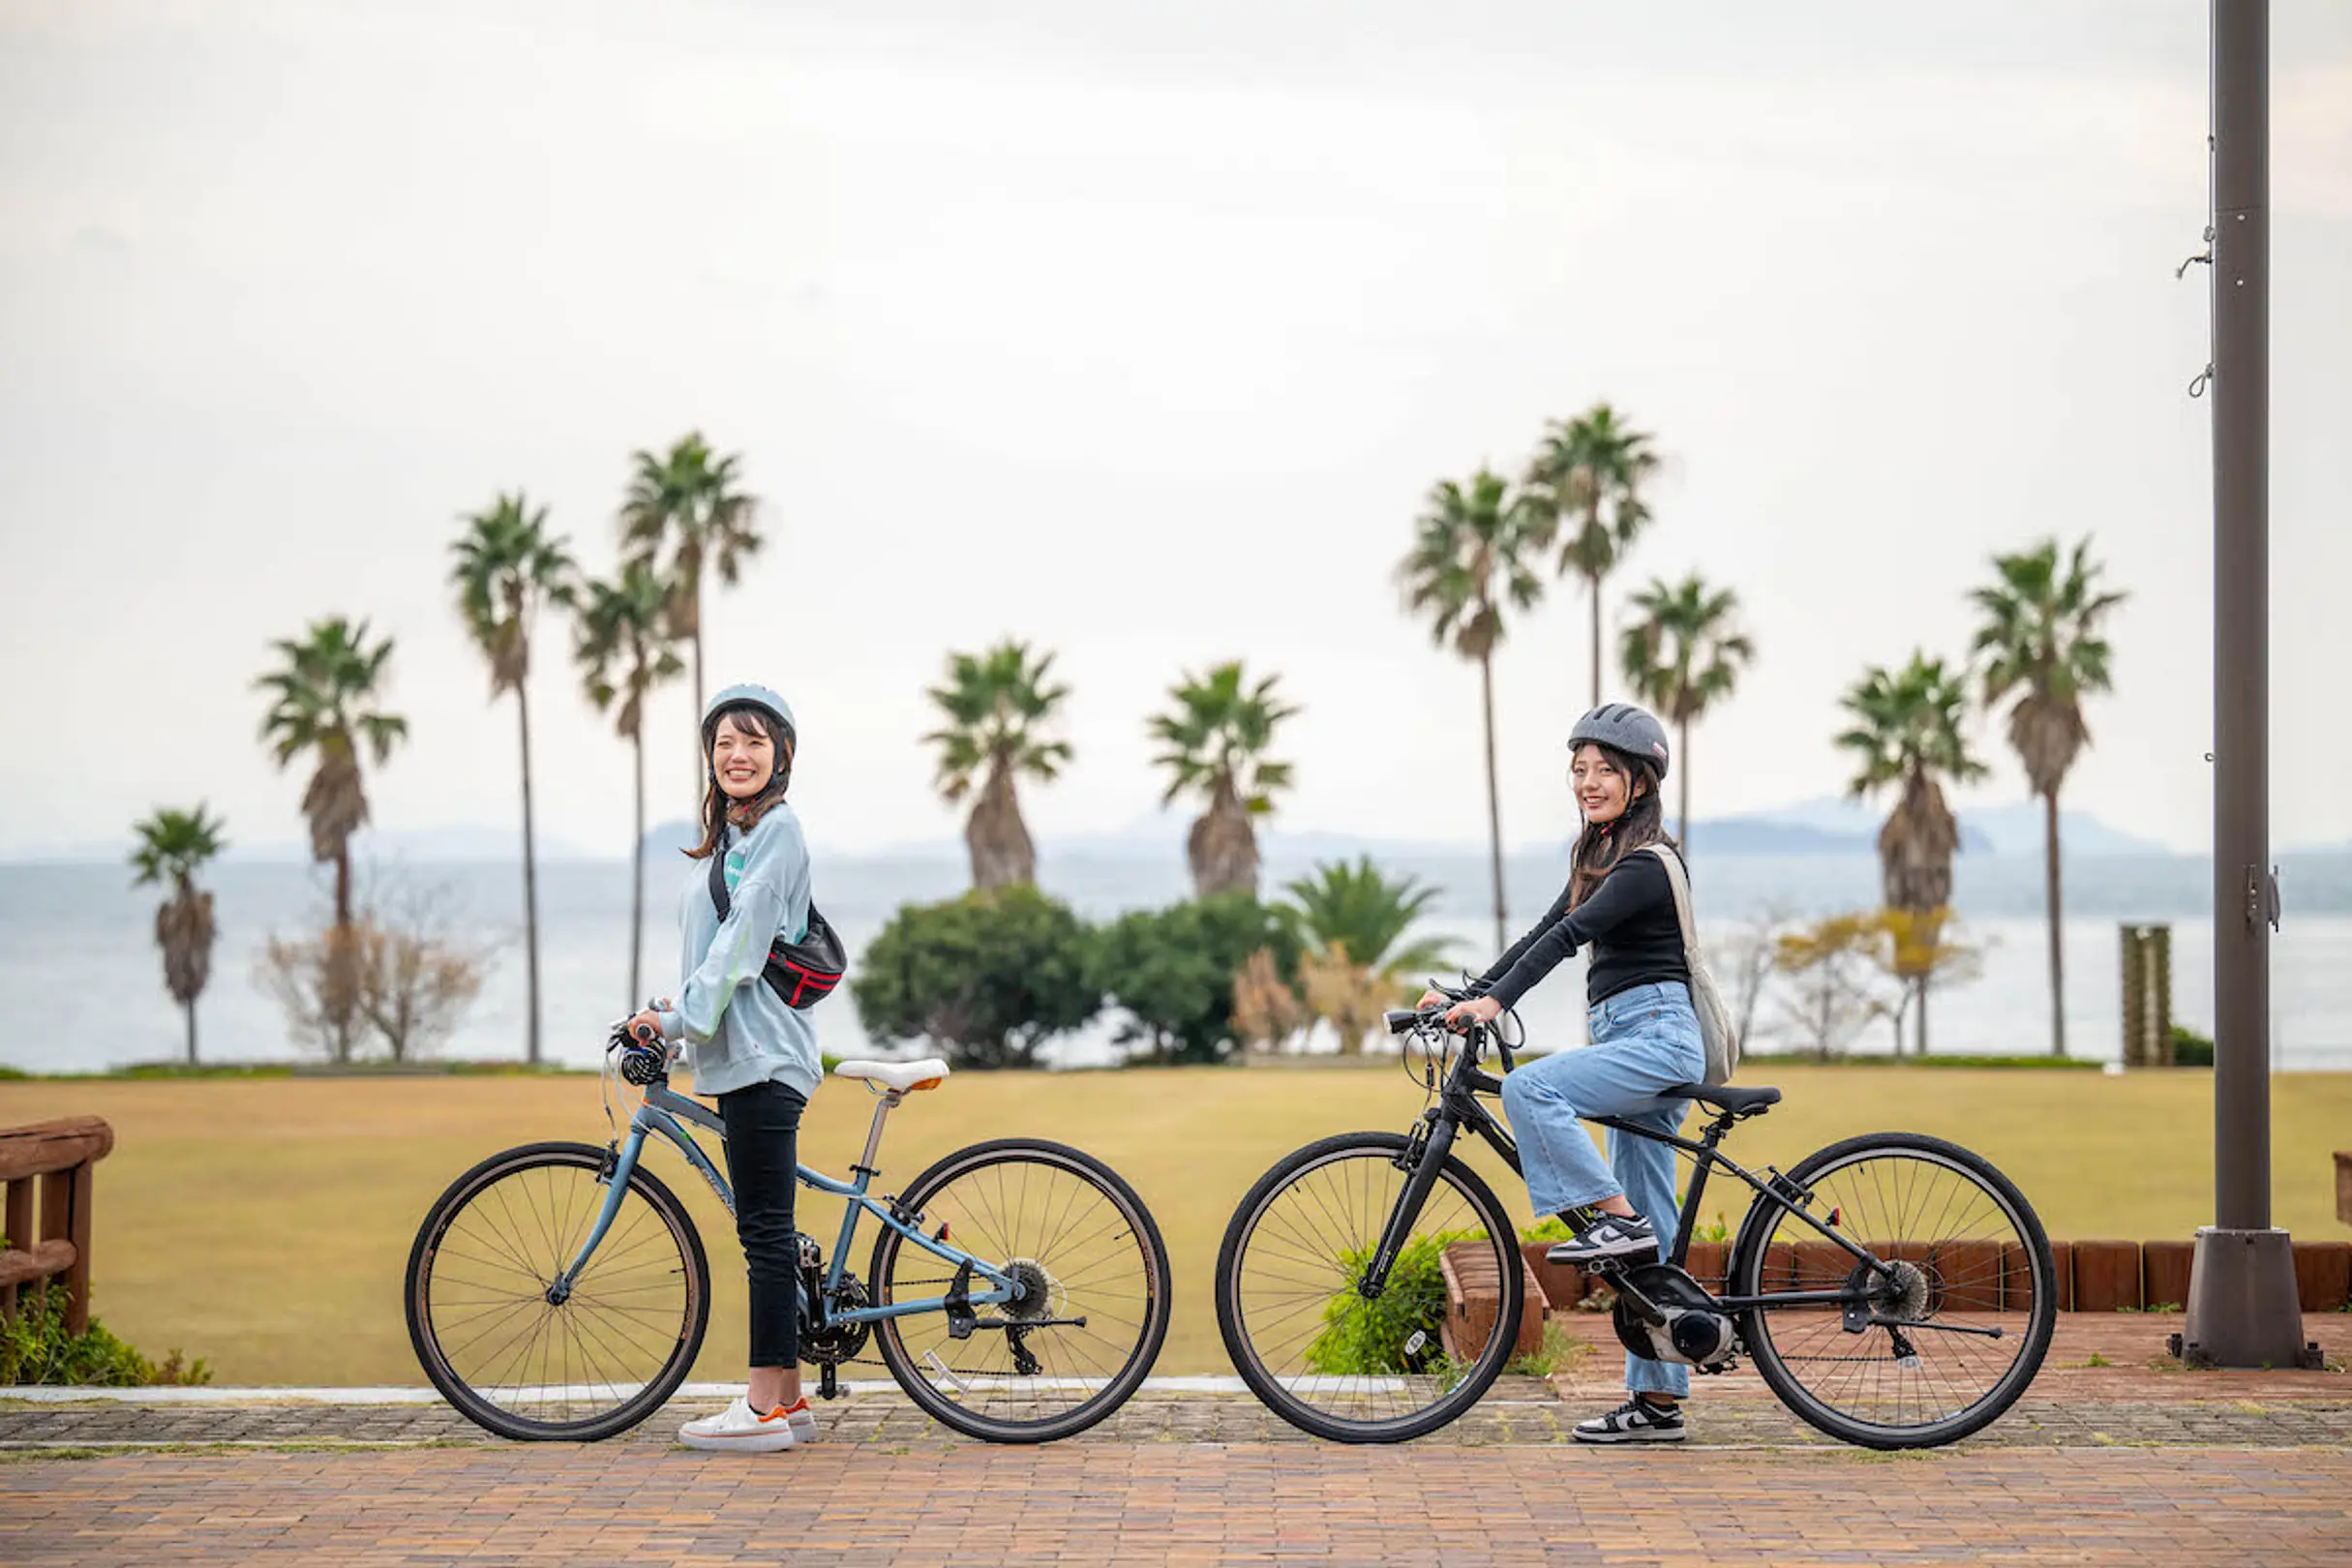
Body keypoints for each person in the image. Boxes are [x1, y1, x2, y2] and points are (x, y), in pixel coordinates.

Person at [1421, 702, 1704, 1445]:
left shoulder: (1647, 864)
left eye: (1605, 770)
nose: (1588, 782)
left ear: (1640, 782)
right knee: (1652, 1226)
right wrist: (1468, 993)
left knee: (1530, 1087)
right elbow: (1544, 931)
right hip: (1629, 1033)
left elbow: (1575, 934)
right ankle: (1657, 1403)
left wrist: (1497, 1002)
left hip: (1660, 1037)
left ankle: (1611, 1223)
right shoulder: (1597, 857)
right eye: (1579, 770)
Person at [625, 682, 825, 1454]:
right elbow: (711, 957)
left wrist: (677, 1020)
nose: (737, 756)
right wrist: (673, 1023)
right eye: (723, 744)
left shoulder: (778, 834)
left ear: (781, 757)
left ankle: (761, 1410)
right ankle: (792, 1402)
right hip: (742, 1053)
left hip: (764, 1058)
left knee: (766, 1236)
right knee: (768, 1230)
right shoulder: (739, 840)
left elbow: (740, 949)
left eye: (754, 742)